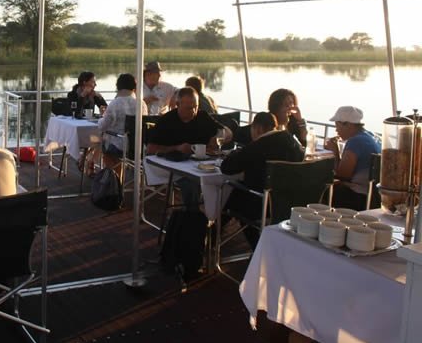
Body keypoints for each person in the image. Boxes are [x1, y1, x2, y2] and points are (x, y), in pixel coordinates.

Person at [221, 112, 305, 247]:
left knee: (234, 196)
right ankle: (259, 249)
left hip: (262, 204)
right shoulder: (293, 143)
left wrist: (236, 153)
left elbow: (226, 168)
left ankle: (212, 239)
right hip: (288, 203)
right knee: (238, 197)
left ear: (258, 128)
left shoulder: (257, 146)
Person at [324, 106, 381, 210]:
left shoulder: (356, 141)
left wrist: (335, 152)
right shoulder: (371, 136)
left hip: (357, 196)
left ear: (347, 125)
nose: (336, 130)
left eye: (337, 125)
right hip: (372, 197)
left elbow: (342, 175)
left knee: (321, 190)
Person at [147, 87, 230, 155]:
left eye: (196, 107)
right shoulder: (166, 120)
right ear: (177, 105)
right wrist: (176, 148)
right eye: (189, 108)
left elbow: (227, 132)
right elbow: (150, 149)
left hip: (201, 163)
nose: (194, 111)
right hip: (172, 164)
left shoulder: (202, 116)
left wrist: (219, 139)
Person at [98, 73, 147, 169]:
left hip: (120, 146)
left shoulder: (115, 103)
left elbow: (103, 126)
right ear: (134, 87)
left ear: (118, 87)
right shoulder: (141, 104)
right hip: (139, 145)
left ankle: (114, 177)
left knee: (103, 142)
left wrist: (100, 117)